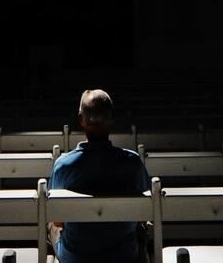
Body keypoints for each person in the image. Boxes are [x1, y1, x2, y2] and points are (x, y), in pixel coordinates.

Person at [49, 89, 150, 263]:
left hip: (77, 256)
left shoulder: (63, 166)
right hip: (123, 255)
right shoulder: (132, 162)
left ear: (81, 119)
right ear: (111, 121)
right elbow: (143, 213)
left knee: (51, 225)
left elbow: (57, 219)